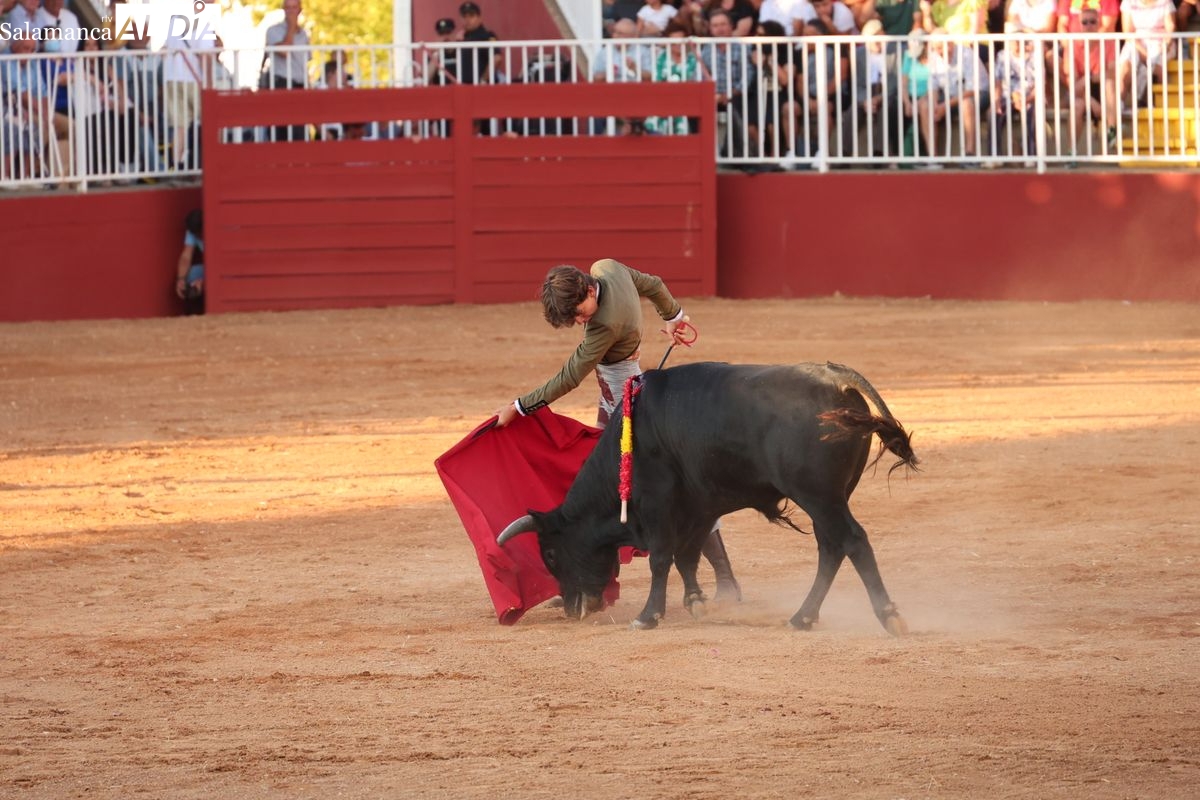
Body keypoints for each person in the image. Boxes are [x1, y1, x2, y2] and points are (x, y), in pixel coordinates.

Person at [492, 260, 741, 601]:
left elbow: (569, 377)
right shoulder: (609, 268)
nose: (581, 320)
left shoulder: (603, 326)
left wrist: (519, 406)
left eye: (579, 312)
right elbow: (653, 283)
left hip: (629, 408)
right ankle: (594, 583)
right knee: (598, 492)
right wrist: (674, 318)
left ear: (590, 289)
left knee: (672, 490)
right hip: (613, 402)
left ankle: (726, 581)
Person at [1062, 5, 1119, 150]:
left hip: (1099, 86)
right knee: (1077, 106)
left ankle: (1111, 133)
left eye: (1092, 22)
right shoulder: (1072, 45)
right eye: (1084, 22)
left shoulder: (1108, 41)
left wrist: (1090, 79)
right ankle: (1071, 152)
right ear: (1079, 26)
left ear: (1099, 24)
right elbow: (1073, 84)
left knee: (1110, 85)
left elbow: (1112, 73)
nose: (1088, 25)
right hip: (1081, 92)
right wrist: (1091, 101)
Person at [263, 0, 310, 142]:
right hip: (281, 85)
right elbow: (283, 52)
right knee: (281, 132)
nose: (291, 12)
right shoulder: (273, 31)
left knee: (299, 132)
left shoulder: (304, 35)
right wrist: (291, 27)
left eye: (294, 8)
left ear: (300, 10)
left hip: (300, 86)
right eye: (288, 8)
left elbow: (305, 63)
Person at [1117, 0, 1176, 106]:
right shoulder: (1128, 2)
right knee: (1125, 67)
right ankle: (1118, 110)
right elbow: (1127, 32)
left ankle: (1158, 108)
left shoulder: (1165, 2)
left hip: (1161, 42)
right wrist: (1143, 51)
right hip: (1135, 42)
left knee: (1157, 66)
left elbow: (1170, 27)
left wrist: (1166, 44)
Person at [459, 2, 499, 85]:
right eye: (464, 16)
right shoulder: (461, 37)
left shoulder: (487, 36)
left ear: (479, 18)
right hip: (465, 87)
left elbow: (497, 58)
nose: (467, 20)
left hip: (484, 87)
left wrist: (483, 80)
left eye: (471, 16)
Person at [175, 209, 205, 315]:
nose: (197, 236)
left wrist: (206, 282)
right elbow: (186, 256)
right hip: (209, 269)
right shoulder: (192, 230)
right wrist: (181, 280)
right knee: (189, 276)